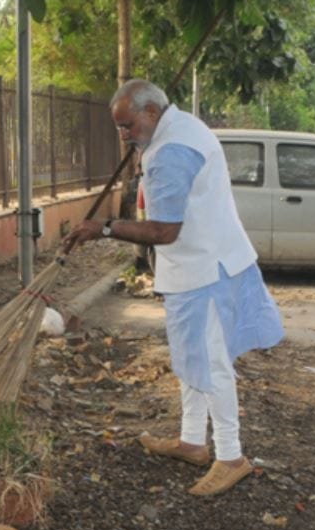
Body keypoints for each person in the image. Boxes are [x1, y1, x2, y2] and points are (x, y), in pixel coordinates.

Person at [62, 79, 284, 496]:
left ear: (151, 112)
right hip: (202, 264)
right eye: (119, 127)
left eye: (127, 125)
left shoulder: (170, 152)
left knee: (212, 363)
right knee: (191, 358)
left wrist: (104, 228)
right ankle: (192, 442)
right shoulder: (180, 127)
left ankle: (231, 456)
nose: (123, 135)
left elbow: (164, 231)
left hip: (206, 271)